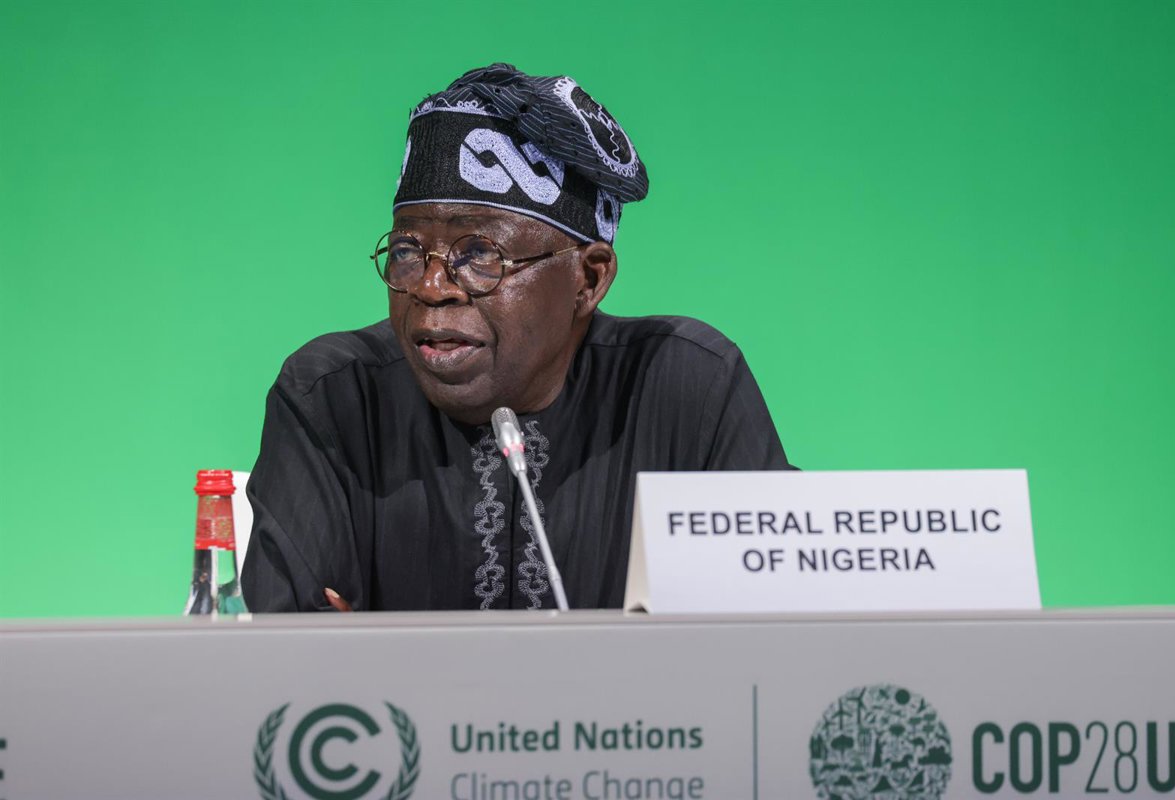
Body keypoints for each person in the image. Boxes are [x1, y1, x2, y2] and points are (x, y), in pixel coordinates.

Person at [242, 64, 791, 612]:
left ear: (589, 279)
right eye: (408, 251)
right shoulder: (335, 395)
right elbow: (295, 650)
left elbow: (771, 630)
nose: (431, 287)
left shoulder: (686, 388)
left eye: (479, 254)